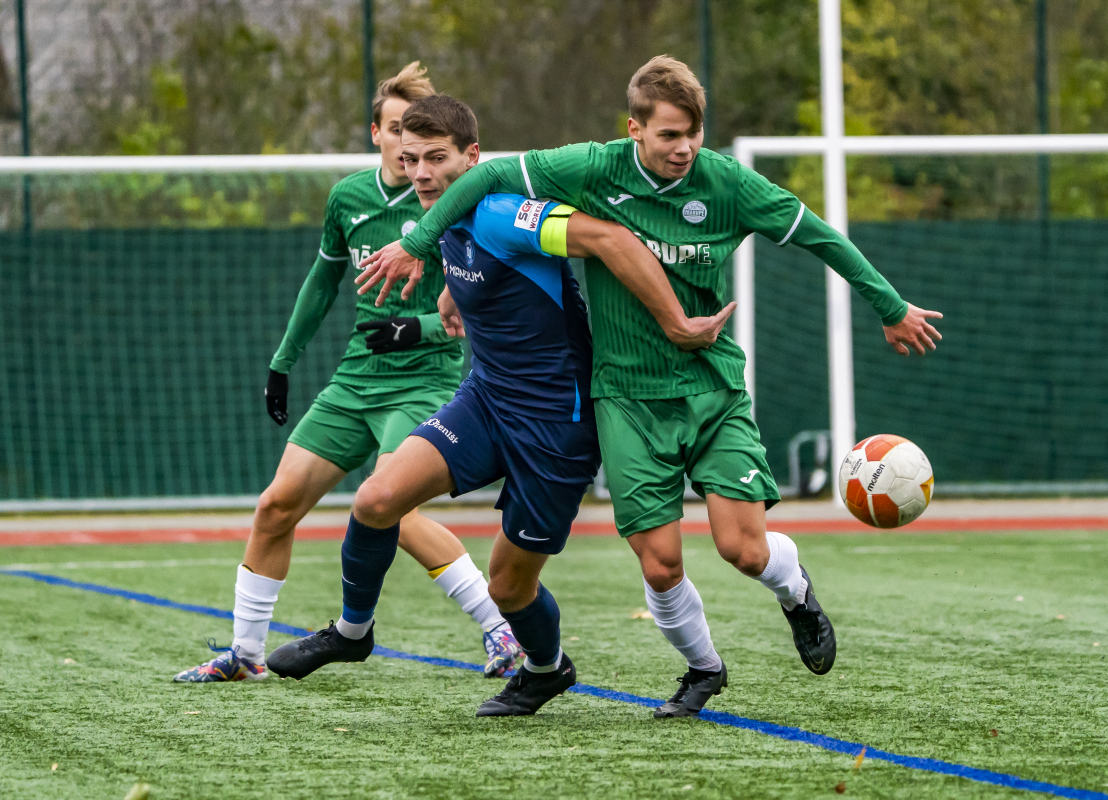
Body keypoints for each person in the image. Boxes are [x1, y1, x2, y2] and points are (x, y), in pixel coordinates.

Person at [358, 56, 943, 718]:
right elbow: (488, 175)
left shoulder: (726, 183)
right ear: (634, 129)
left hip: (710, 388)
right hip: (625, 397)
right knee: (660, 565)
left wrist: (890, 306)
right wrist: (428, 248)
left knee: (742, 549)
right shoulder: (594, 168)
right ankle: (703, 669)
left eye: (693, 132)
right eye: (668, 135)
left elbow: (818, 236)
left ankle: (795, 592)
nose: (684, 148)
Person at [265, 94, 735, 718]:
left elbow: (611, 238)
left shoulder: (504, 213)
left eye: (438, 158)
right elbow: (480, 279)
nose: (422, 173)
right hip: (485, 401)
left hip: (555, 426)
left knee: (509, 585)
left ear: (474, 157)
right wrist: (449, 305)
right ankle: (353, 633)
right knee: (377, 499)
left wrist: (674, 322)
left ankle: (546, 670)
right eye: (410, 160)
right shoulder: (436, 226)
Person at [174, 63, 523, 684]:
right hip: (356, 379)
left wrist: (413, 328)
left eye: (421, 139)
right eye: (395, 131)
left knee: (396, 507)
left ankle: (503, 636)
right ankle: (246, 655)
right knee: (276, 505)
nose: (408, 149)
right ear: (378, 133)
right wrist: (283, 362)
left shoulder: (461, 202)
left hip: (424, 379)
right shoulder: (350, 198)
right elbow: (320, 284)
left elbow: (476, 302)